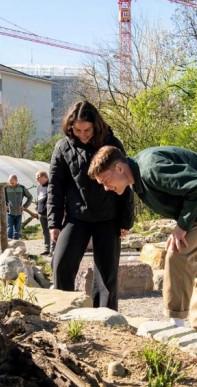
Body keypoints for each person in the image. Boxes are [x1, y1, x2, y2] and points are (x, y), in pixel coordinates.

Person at [88, 145, 197, 335]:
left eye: (106, 181)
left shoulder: (152, 169)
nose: (106, 188)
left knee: (176, 252)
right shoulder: (138, 177)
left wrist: (182, 226)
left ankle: (175, 323)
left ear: (119, 168)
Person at [48, 100, 134, 310]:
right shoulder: (62, 147)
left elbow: (125, 181)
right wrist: (54, 223)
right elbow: (55, 187)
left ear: (96, 125)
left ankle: (105, 319)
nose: (83, 134)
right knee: (61, 264)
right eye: (77, 130)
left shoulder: (113, 143)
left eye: (87, 129)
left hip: (109, 217)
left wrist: (126, 220)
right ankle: (63, 312)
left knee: (107, 275)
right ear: (70, 127)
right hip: (77, 217)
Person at [4, 174, 32, 240]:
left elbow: (30, 197)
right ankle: (9, 245)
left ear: (17, 181)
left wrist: (25, 206)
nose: (11, 184)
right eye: (10, 183)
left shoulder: (22, 188)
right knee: (9, 231)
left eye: (13, 183)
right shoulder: (5, 188)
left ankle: (16, 245)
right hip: (9, 213)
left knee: (17, 231)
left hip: (19, 213)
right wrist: (4, 206)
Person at [35, 169, 51, 255]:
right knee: (45, 232)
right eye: (36, 178)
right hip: (41, 213)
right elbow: (39, 198)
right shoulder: (39, 187)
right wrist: (37, 208)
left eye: (39, 177)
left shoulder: (50, 186)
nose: (37, 179)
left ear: (45, 177)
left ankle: (54, 249)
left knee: (53, 230)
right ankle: (47, 248)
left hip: (49, 212)